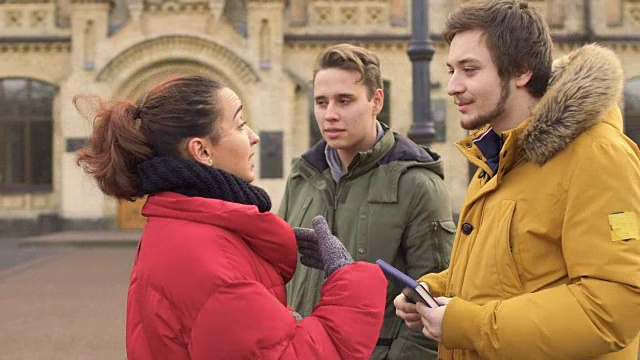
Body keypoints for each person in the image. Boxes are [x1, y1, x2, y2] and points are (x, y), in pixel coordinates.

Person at [74, 75, 388, 359]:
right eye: (239, 125)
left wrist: (280, 320)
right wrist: (350, 281)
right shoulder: (205, 256)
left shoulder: (191, 229)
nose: (254, 137)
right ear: (202, 151)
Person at [393, 1, 640, 359]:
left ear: (522, 71)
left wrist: (468, 325)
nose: (452, 86)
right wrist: (434, 289)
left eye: (469, 70)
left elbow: (614, 306)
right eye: (451, 70)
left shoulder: (596, 154)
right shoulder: (497, 155)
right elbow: (511, 271)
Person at [279, 43, 456, 359]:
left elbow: (433, 302)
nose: (330, 114)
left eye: (344, 101)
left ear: (376, 101)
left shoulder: (417, 182)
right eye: (321, 102)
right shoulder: (302, 176)